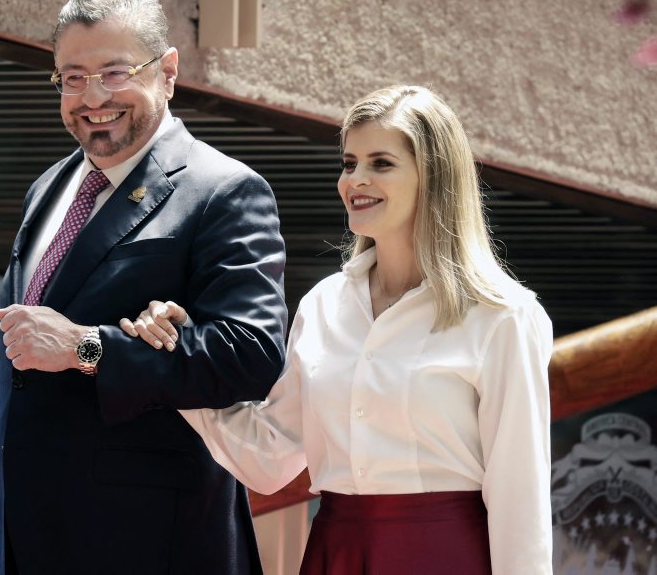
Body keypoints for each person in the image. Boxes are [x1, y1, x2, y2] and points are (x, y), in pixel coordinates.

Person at [121, 85, 554, 574]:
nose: (355, 180)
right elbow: (269, 457)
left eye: (381, 163)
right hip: (336, 552)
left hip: (446, 558)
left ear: (434, 177)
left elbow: (521, 499)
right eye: (349, 163)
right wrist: (176, 356)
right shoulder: (324, 304)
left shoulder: (503, 316)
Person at [0, 0, 287, 574]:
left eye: (114, 72)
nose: (92, 96)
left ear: (168, 71)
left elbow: (252, 353)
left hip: (152, 543)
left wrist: (87, 347)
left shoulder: (224, 190)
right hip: (31, 536)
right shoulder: (48, 188)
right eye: (72, 77)